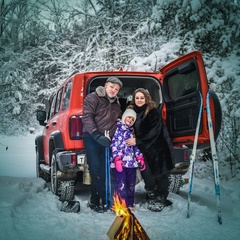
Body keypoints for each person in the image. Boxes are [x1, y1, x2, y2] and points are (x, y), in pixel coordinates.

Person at [125, 88, 175, 212]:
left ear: (147, 98)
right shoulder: (133, 112)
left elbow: (154, 131)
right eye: (137, 98)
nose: (139, 100)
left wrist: (137, 140)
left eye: (142, 98)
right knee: (147, 174)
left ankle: (161, 198)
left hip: (158, 147)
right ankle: (153, 194)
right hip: (144, 149)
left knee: (161, 173)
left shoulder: (153, 111)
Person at [82, 76, 123, 213]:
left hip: (107, 140)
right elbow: (87, 116)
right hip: (92, 138)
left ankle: (95, 200)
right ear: (106, 85)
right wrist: (96, 135)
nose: (113, 90)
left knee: (106, 171)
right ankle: (106, 200)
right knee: (95, 169)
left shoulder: (116, 103)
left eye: (116, 89)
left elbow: (117, 120)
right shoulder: (93, 98)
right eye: (112, 87)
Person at [110, 109, 146, 210]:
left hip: (131, 164)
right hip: (120, 163)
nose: (130, 120)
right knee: (120, 184)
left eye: (132, 119)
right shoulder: (118, 130)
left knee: (130, 184)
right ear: (124, 117)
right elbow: (114, 145)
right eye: (129, 117)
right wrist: (117, 159)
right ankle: (119, 204)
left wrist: (139, 157)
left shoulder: (131, 132)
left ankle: (130, 203)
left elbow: (135, 147)